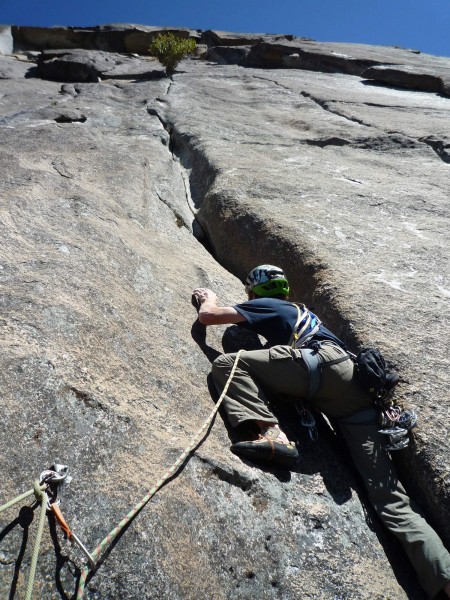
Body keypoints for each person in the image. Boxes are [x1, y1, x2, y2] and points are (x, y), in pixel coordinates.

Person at [192, 264, 450, 600]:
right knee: (390, 501)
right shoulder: (307, 315)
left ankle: (272, 434)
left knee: (229, 363)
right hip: (355, 395)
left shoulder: (272, 306)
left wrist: (207, 298)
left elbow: (210, 317)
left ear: (254, 292)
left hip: (319, 368)